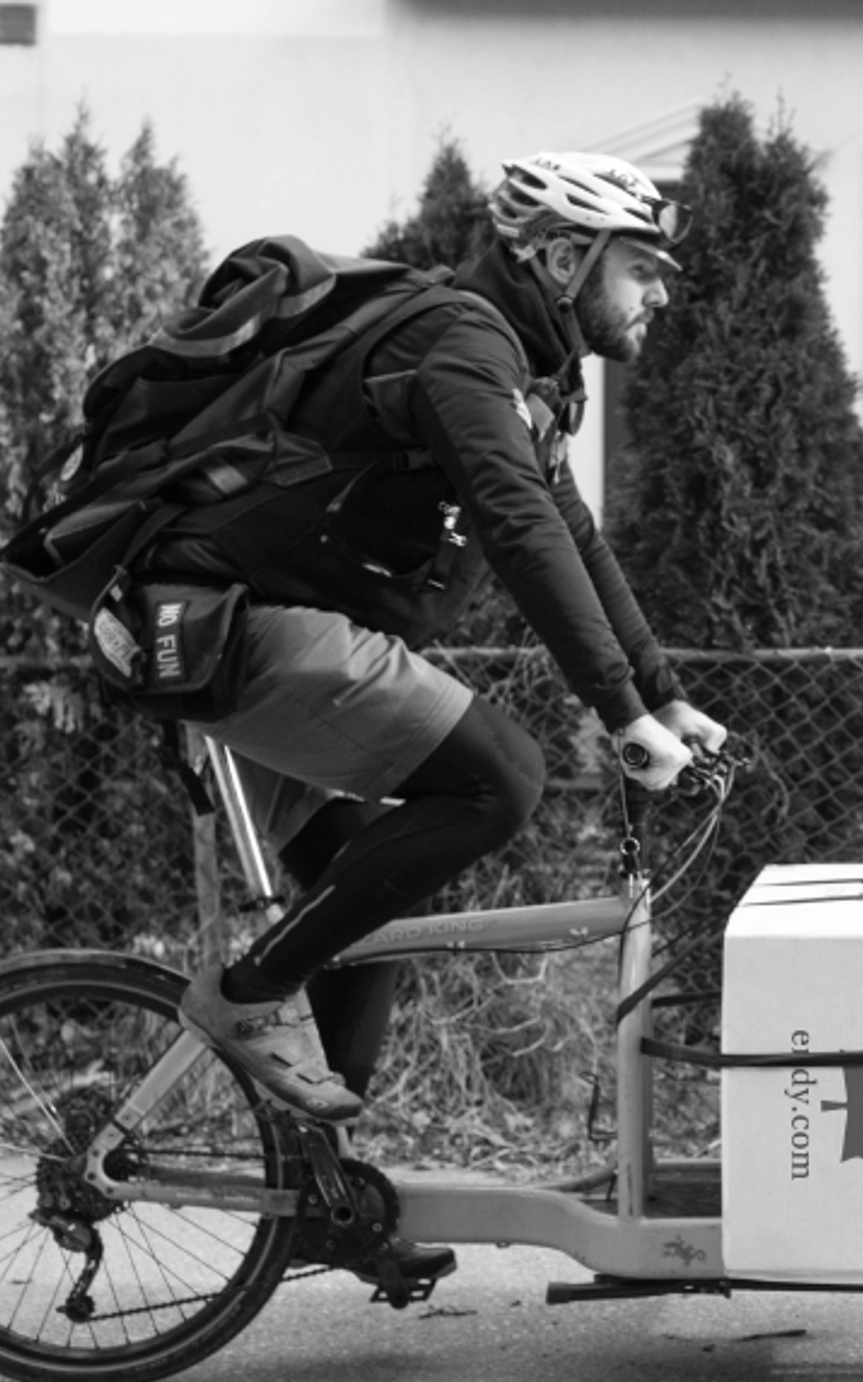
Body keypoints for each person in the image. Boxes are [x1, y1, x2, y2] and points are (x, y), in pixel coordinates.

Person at [170, 152, 727, 1285]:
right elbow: (515, 522)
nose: (661, 293)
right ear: (564, 260)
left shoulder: (529, 373)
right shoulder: (463, 345)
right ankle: (246, 994)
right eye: (642, 268)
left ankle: (321, 1207)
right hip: (238, 624)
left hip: (263, 629)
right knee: (502, 778)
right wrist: (614, 710)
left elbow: (573, 533)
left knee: (366, 900)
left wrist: (661, 690)